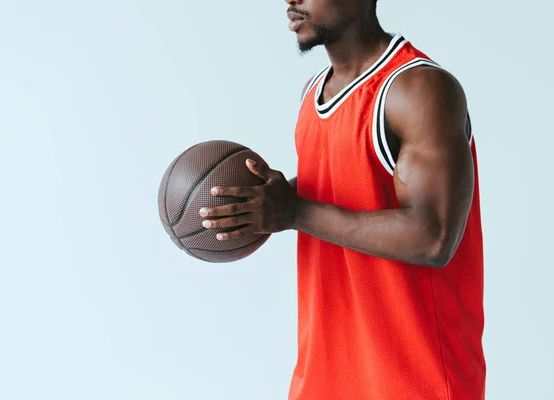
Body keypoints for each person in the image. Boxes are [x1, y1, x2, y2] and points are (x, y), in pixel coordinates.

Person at [198, 0, 486, 398]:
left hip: (415, 381)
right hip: (323, 376)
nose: (290, 1)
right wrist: (268, 201)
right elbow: (349, 186)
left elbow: (433, 237)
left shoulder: (418, 89)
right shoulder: (313, 93)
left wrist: (295, 211)